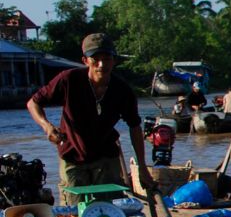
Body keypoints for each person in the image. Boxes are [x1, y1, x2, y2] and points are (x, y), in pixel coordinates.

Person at [27, 33, 152, 203]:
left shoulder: (122, 90)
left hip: (106, 157)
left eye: (107, 59)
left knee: (109, 209)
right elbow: (33, 103)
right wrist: (47, 126)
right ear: (85, 61)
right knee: (74, 209)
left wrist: (142, 167)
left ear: (114, 61)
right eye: (95, 59)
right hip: (72, 156)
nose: (101, 65)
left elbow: (135, 127)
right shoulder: (68, 80)